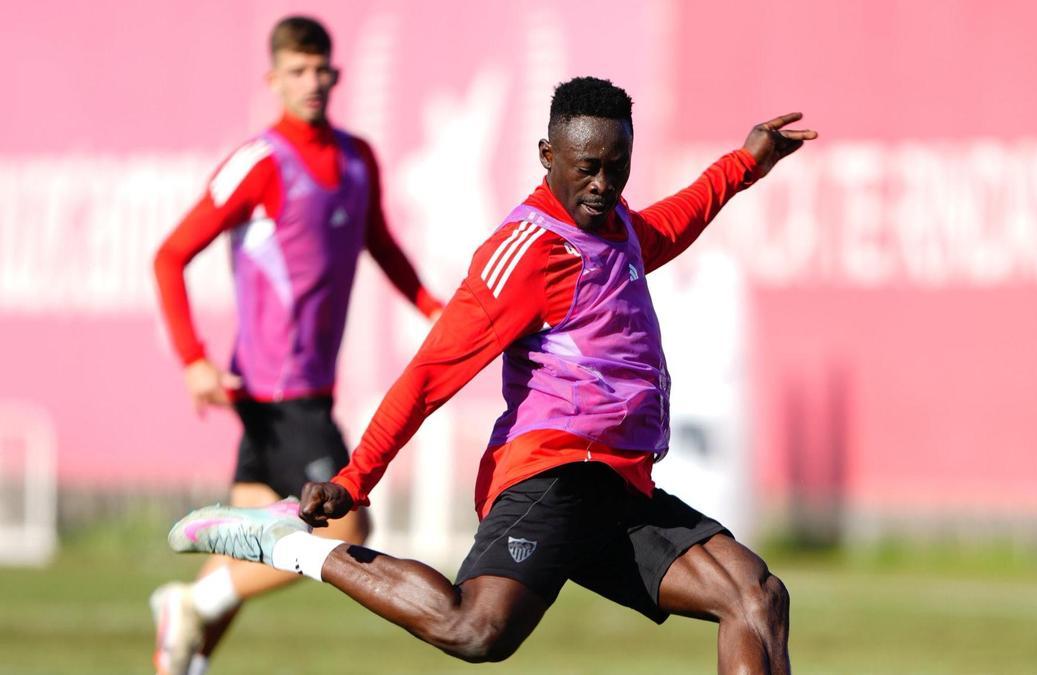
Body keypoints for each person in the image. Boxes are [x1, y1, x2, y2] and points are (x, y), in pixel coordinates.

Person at [169, 76, 815, 674]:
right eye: (585, 168)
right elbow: (429, 375)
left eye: (616, 168)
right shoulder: (525, 253)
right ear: (547, 155)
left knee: (756, 597)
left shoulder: (615, 226)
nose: (601, 184)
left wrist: (748, 161)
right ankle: (290, 547)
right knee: (476, 628)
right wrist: (354, 478)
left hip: (618, 484)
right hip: (551, 475)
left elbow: (672, 224)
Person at [150, 15, 441, 675]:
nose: (313, 82)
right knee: (346, 526)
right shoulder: (258, 162)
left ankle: (181, 657)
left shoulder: (357, 158)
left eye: (322, 70)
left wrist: (428, 304)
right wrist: (194, 357)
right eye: (299, 71)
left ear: (335, 74)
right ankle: (193, 603)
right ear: (274, 79)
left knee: (245, 550)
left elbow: (380, 241)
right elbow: (169, 256)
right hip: (279, 394)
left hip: (303, 392)